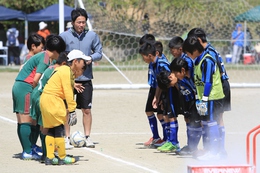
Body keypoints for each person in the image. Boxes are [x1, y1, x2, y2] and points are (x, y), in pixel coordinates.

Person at [12, 35, 66, 160]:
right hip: (25, 88)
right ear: (56, 51)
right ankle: (28, 151)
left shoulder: (43, 55)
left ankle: (30, 148)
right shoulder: (45, 57)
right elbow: (36, 79)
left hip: (20, 86)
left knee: (28, 119)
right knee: (26, 120)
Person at [60, 8, 103, 149]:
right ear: (72, 22)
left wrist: (90, 58)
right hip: (68, 79)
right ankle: (66, 137)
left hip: (85, 78)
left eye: (83, 22)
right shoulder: (64, 36)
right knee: (67, 109)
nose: (81, 25)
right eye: (79, 22)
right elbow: (60, 56)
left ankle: (87, 137)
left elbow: (99, 53)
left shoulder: (92, 36)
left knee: (86, 110)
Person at [40, 49, 90, 165]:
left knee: (51, 131)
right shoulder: (66, 71)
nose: (85, 64)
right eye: (83, 61)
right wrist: (72, 110)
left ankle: (50, 157)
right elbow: (68, 92)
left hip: (45, 99)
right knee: (59, 130)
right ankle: (62, 157)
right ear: (76, 61)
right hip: (53, 100)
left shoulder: (62, 69)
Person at [187, 28, 231, 157]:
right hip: (212, 87)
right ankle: (212, 149)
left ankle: (218, 150)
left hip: (219, 86)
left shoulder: (208, 53)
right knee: (210, 119)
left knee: (216, 119)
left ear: (199, 40)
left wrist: (205, 97)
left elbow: (210, 76)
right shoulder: (207, 51)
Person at [139, 41, 179, 151]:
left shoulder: (162, 64)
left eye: (144, 57)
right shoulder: (153, 63)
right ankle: (167, 140)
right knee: (163, 115)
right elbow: (159, 83)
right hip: (161, 91)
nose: (144, 60)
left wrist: (159, 97)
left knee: (168, 116)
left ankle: (172, 141)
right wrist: (157, 97)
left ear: (150, 55)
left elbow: (168, 81)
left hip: (168, 91)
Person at [157, 58, 202, 155]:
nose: (171, 86)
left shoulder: (186, 75)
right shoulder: (179, 80)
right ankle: (191, 146)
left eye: (169, 85)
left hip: (197, 100)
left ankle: (196, 148)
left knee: (201, 123)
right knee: (189, 120)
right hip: (187, 100)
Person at [30, 51, 68, 162]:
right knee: (46, 127)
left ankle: (46, 153)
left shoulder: (52, 67)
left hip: (37, 94)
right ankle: (47, 155)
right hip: (42, 97)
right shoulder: (57, 70)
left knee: (42, 125)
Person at [138, 35, 168, 147]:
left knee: (162, 114)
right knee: (150, 111)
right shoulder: (153, 61)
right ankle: (156, 137)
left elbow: (164, 80)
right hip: (154, 87)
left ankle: (167, 138)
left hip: (160, 88)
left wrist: (158, 96)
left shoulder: (161, 62)